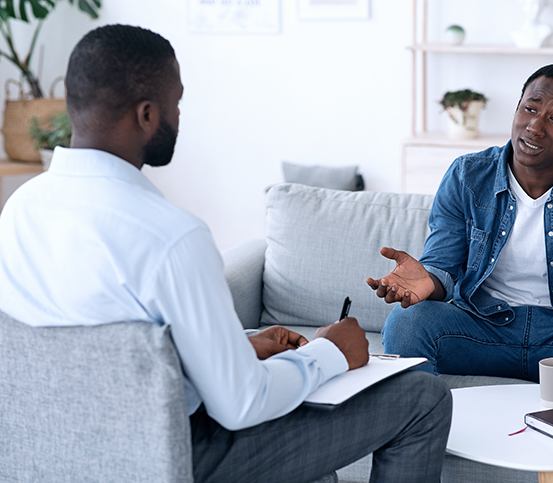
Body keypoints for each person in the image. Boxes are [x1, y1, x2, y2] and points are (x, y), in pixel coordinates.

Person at [0, 25, 452, 483]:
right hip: (176, 459)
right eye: (176, 102)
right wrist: (330, 352)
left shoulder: (19, 211)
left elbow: (96, 353)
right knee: (422, 397)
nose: (179, 115)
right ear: (146, 114)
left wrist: (232, 350)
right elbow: (242, 405)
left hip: (66, 456)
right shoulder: (171, 236)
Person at [367, 63, 553, 483]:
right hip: (482, 327)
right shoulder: (467, 175)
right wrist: (428, 282)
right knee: (407, 320)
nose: (535, 127)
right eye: (529, 109)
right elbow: (443, 267)